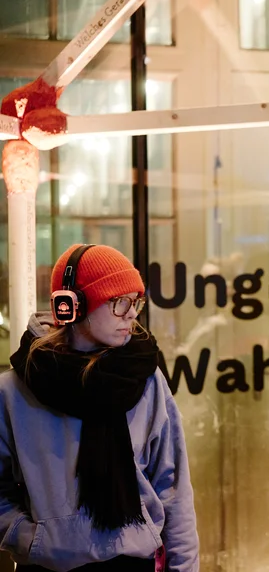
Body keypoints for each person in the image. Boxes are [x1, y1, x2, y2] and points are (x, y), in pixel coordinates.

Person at [0, 244, 199, 571]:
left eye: (135, 302)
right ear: (72, 306)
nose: (132, 314)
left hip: (135, 563)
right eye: (119, 303)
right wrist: (29, 538)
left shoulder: (145, 381)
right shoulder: (13, 392)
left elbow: (173, 489)